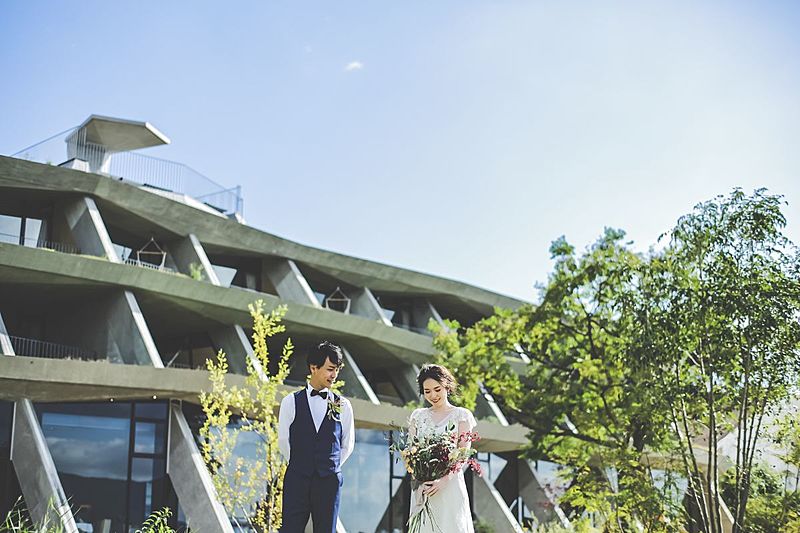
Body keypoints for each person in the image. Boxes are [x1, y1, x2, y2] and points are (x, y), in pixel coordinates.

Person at [278, 341, 355, 533]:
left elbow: (347, 444)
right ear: (313, 368)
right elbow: (283, 441)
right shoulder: (290, 402)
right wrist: (301, 465)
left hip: (328, 481)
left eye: (337, 369)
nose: (334, 375)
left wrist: (329, 466)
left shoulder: (343, 405)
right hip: (297, 479)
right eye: (330, 369)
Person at [408, 363, 477, 533]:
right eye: (427, 391)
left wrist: (443, 481)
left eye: (437, 389)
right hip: (424, 488)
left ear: (447, 386)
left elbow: (463, 455)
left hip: (450, 487)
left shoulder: (462, 415)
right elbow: (411, 453)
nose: (433, 395)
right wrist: (419, 481)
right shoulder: (418, 416)